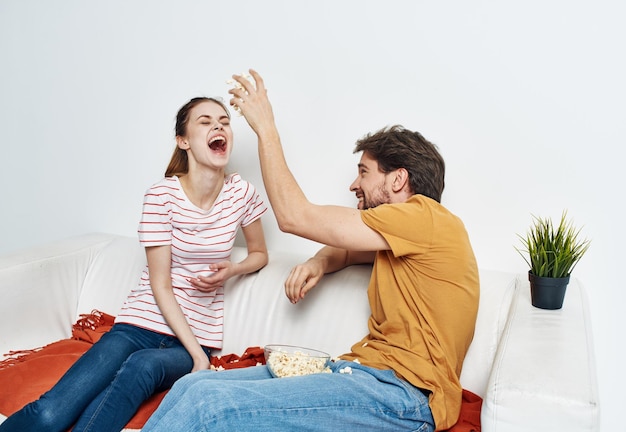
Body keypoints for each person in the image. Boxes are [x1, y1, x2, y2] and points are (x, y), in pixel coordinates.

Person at [142, 70, 479, 432]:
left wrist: (265, 127)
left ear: (397, 179)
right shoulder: (405, 236)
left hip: (402, 396)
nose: (353, 185)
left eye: (363, 172)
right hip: (360, 374)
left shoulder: (426, 217)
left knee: (211, 405)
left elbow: (293, 217)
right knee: (194, 384)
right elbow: (347, 252)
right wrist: (320, 261)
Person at [0, 97, 268, 432]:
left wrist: (233, 270)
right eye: (205, 121)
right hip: (138, 326)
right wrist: (198, 358)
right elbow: (161, 284)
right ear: (183, 141)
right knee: (52, 412)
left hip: (196, 338)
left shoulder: (240, 193)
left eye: (224, 120)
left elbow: (259, 253)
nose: (218, 126)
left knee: (143, 366)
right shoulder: (161, 196)